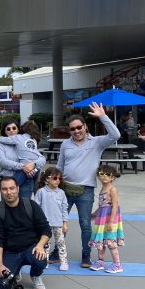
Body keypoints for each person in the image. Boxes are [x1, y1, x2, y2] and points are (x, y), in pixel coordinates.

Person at [56, 102, 120, 268]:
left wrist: (103, 117)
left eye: (79, 127)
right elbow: (60, 166)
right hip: (65, 188)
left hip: (86, 190)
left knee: (85, 223)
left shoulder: (96, 142)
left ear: (85, 127)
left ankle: (86, 254)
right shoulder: (65, 145)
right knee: (58, 222)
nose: (76, 131)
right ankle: (57, 251)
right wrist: (54, 184)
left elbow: (115, 135)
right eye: (72, 129)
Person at [0, 176, 51, 289]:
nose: (9, 192)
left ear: (18, 189)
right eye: (5, 189)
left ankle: (35, 275)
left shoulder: (31, 205)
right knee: (0, 286)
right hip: (11, 251)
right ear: (1, 191)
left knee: (40, 260)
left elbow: (46, 229)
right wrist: (0, 264)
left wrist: (40, 246)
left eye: (12, 188)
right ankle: (15, 269)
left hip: (31, 248)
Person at [89, 165, 125, 274]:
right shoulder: (102, 188)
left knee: (110, 241)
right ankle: (100, 261)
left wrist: (111, 222)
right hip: (101, 218)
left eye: (107, 175)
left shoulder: (112, 189)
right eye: (101, 174)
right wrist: (95, 213)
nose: (104, 177)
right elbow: (102, 205)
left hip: (110, 219)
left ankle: (117, 264)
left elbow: (114, 206)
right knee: (101, 240)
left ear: (113, 177)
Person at [0, 121, 45, 199]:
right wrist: (23, 167)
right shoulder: (0, 144)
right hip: (8, 178)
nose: (11, 130)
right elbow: (2, 161)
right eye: (8, 129)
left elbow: (41, 158)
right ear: (4, 131)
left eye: (14, 128)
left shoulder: (22, 140)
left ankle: (38, 199)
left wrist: (33, 164)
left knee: (25, 206)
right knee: (7, 207)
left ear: (18, 129)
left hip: (27, 179)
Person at [33, 167, 69, 271]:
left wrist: (65, 223)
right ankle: (45, 260)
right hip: (45, 224)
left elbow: (64, 208)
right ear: (47, 179)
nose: (57, 180)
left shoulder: (61, 193)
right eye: (55, 178)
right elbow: (36, 208)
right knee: (45, 244)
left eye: (60, 178)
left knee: (61, 243)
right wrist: (37, 222)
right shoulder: (41, 192)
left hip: (58, 223)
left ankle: (63, 261)